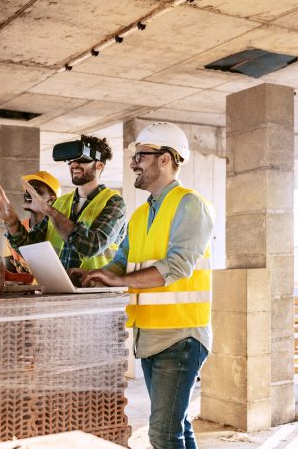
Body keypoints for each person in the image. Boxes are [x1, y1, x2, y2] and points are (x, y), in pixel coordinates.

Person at [74, 122, 214, 449]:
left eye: (140, 155)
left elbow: (178, 265)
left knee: (163, 435)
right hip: (148, 336)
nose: (134, 162)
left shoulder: (190, 204)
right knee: (175, 427)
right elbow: (119, 262)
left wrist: (119, 280)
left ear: (165, 159)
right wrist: (91, 276)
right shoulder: (139, 216)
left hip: (181, 336)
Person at [0, 135, 127, 271]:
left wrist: (50, 211)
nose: (74, 164)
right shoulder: (61, 203)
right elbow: (29, 248)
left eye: (82, 159)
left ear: (100, 165)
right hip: (62, 287)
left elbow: (91, 247)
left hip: (98, 292)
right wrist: (12, 221)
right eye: (71, 160)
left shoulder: (114, 203)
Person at [1, 171, 60, 269]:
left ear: (51, 200)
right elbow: (9, 275)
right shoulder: (14, 230)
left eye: (35, 191)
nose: (28, 194)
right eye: (27, 190)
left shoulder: (59, 230)